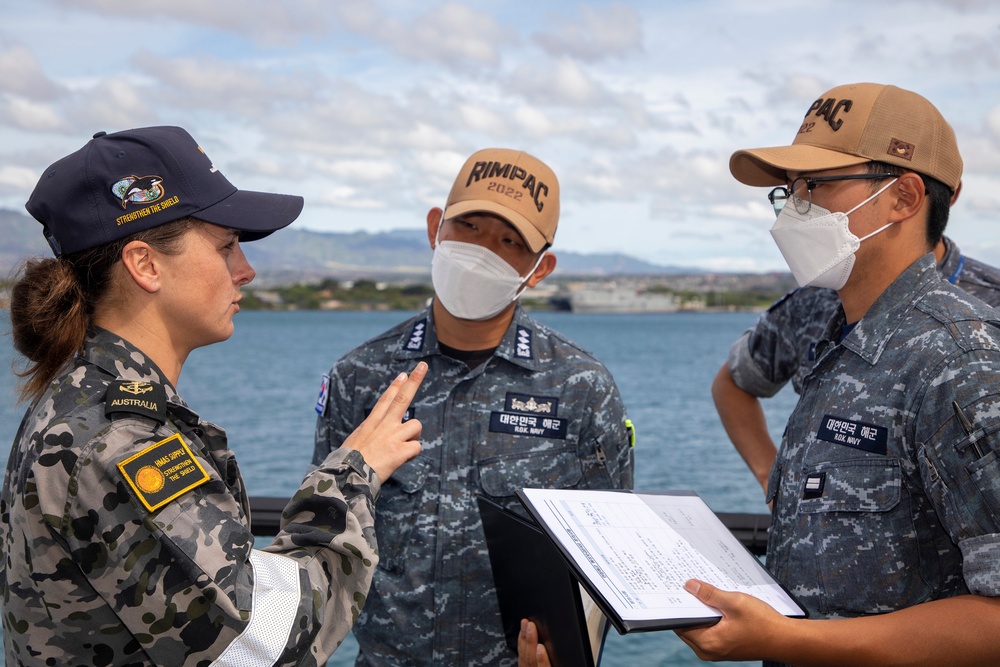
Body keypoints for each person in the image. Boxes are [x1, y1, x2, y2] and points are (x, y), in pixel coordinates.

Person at [523, 81, 1000, 666]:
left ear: (903, 198)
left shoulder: (963, 360)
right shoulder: (834, 332)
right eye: (790, 189)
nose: (795, 206)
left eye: (816, 185)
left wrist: (786, 640)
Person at [1, 126, 428, 667]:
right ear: (145, 265)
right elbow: (267, 646)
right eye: (226, 246)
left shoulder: (85, 399)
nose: (246, 271)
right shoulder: (118, 442)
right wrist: (352, 475)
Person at [313, 148, 634, 666]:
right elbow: (326, 530)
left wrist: (571, 656)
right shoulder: (361, 377)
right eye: (469, 226)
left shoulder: (581, 386)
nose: (484, 249)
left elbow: (607, 550)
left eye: (510, 242)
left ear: (540, 268)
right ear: (435, 228)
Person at [712, 233, 1000, 499]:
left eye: (822, 184)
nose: (801, 204)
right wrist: (772, 481)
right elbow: (733, 383)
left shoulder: (989, 305)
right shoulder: (815, 299)